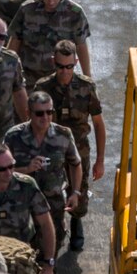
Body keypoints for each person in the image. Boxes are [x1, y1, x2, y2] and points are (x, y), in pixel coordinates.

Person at [35, 40, 106, 252]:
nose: (64, 71)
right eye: (60, 66)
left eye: (69, 66)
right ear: (53, 63)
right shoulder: (42, 88)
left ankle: (76, 222)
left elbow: (99, 124)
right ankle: (52, 229)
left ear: (76, 62)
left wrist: (100, 160)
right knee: (48, 191)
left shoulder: (86, 86)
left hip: (78, 148)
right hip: (50, 149)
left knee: (80, 189)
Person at [4, 91, 82, 251]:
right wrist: (26, 169)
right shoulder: (13, 137)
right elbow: (1, 172)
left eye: (49, 112)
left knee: (52, 249)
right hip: (21, 205)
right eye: (39, 113)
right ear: (28, 113)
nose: (45, 117)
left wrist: (75, 192)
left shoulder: (63, 135)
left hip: (53, 205)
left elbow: (75, 164)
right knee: (21, 251)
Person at [0, 143, 56, 274]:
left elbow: (46, 224)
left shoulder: (26, 186)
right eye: (1, 169)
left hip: (21, 260)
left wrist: (49, 265)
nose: (8, 172)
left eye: (11, 166)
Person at [8, 0, 92, 87]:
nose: (51, 2)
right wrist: (8, 71)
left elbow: (81, 45)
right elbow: (15, 42)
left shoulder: (75, 13)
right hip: (28, 77)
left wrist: (87, 77)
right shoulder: (26, 10)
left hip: (59, 78)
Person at [0, 15, 29, 152]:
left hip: (2, 130)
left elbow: (19, 93)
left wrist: (28, 125)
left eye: (2, 37)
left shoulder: (11, 60)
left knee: (0, 168)